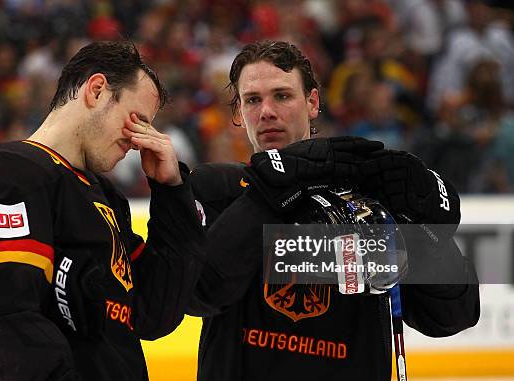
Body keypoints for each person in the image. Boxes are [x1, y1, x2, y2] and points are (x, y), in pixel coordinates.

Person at [187, 40, 479, 380]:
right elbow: (199, 296)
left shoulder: (368, 196)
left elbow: (452, 316)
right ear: (238, 113)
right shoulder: (216, 189)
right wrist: (277, 185)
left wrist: (430, 235)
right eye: (253, 100)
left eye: (282, 96)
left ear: (312, 103)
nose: (266, 111)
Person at [0, 41, 204, 380]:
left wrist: (173, 195)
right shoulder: (4, 169)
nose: (139, 139)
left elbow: (154, 314)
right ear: (96, 90)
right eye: (137, 120)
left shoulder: (104, 196)